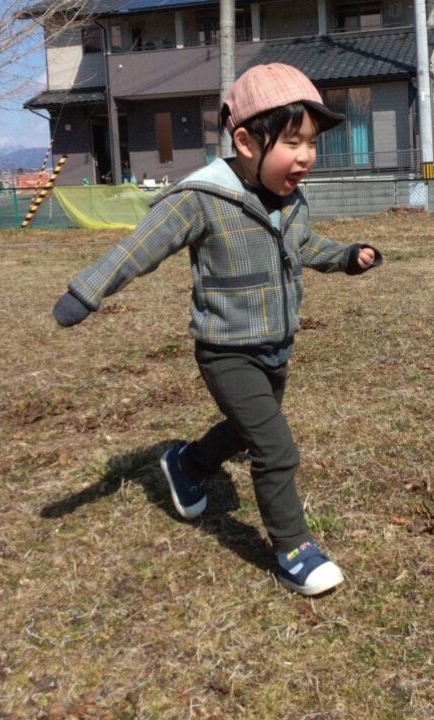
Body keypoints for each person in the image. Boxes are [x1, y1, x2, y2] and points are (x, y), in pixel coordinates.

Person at [53, 63, 382, 597]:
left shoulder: (290, 199)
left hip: (276, 346)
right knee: (275, 448)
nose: (306, 156)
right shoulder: (201, 198)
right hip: (226, 352)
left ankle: (186, 464)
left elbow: (304, 245)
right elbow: (140, 246)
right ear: (246, 141)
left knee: (246, 429)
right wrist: (86, 291)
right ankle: (294, 550)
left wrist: (345, 256)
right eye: (292, 142)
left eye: (312, 143)